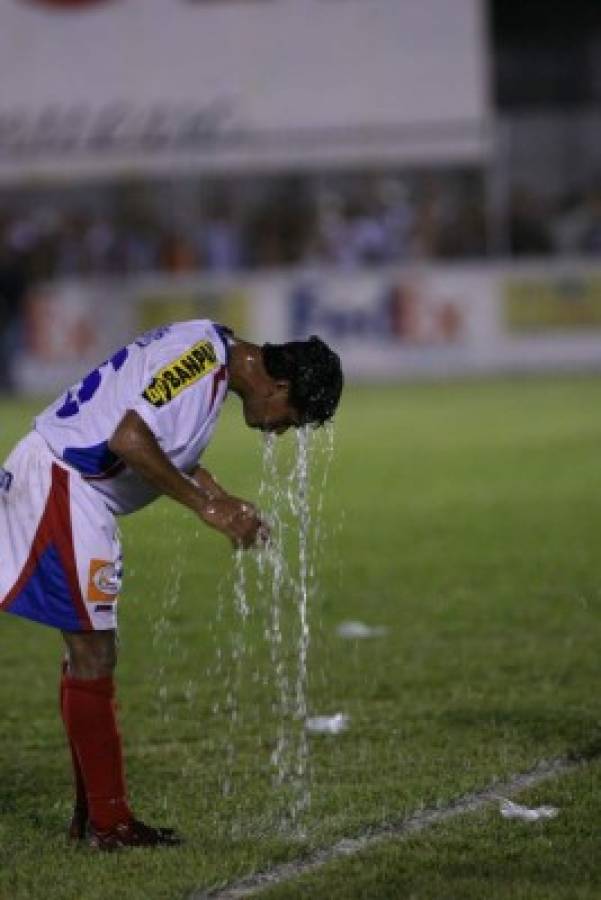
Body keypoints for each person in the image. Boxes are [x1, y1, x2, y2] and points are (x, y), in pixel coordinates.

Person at [0, 320, 343, 851]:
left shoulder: (210, 352)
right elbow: (129, 439)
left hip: (69, 484)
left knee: (90, 653)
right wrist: (209, 508)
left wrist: (221, 495)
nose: (281, 432)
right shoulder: (202, 361)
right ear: (280, 387)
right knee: (92, 653)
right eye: (291, 420)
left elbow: (161, 440)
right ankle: (108, 825)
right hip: (64, 483)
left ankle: (96, 813)